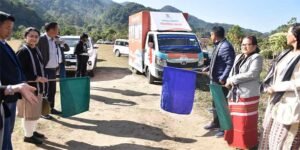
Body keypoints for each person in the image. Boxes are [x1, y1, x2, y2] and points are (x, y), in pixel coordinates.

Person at [0, 11, 38, 149]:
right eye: (7, 27)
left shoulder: (4, 44)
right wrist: (14, 87)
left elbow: (16, 68)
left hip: (11, 97)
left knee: (7, 132)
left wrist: (23, 84)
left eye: (12, 27)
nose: (11, 31)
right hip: (4, 98)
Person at [259, 23, 300, 150]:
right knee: (269, 135)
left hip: (290, 102)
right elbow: (274, 73)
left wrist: (277, 87)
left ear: (295, 36)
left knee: (283, 141)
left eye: (288, 32)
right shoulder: (286, 53)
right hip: (276, 101)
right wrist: (269, 85)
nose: (286, 35)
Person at [224, 36, 263, 149]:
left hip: (247, 95)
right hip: (234, 94)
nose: (244, 47)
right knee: (235, 120)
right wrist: (228, 79)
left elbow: (252, 74)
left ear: (254, 46)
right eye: (243, 44)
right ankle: (237, 143)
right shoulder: (238, 57)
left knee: (245, 122)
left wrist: (232, 79)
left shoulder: (257, 57)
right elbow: (232, 71)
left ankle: (248, 144)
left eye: (248, 44)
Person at [16, 27, 48, 145]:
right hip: (28, 88)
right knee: (29, 113)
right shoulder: (22, 51)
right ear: (25, 37)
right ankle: (28, 136)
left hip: (38, 87)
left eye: (36, 36)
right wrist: (37, 78)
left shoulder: (36, 50)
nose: (34, 38)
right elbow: (19, 70)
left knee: (35, 111)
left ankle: (32, 132)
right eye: (31, 36)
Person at [202, 26, 235, 137]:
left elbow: (230, 64)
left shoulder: (226, 47)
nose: (210, 37)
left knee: (221, 105)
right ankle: (215, 123)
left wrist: (223, 78)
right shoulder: (218, 45)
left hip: (220, 81)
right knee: (215, 104)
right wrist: (208, 68)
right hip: (214, 80)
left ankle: (223, 128)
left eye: (211, 34)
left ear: (214, 35)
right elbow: (215, 61)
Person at [38, 22, 62, 119]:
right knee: (45, 91)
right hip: (45, 70)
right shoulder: (41, 39)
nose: (58, 31)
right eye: (57, 29)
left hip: (53, 69)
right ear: (51, 30)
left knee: (52, 90)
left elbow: (57, 53)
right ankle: (44, 112)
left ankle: (51, 108)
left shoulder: (54, 40)